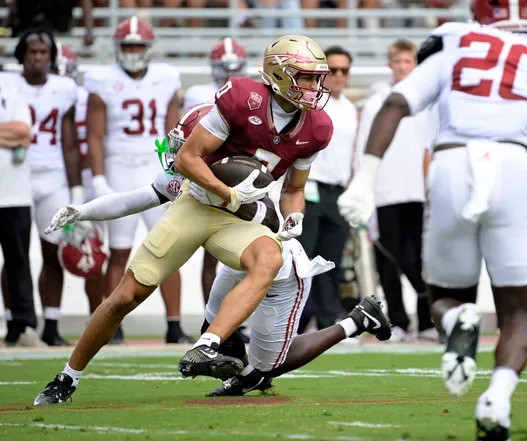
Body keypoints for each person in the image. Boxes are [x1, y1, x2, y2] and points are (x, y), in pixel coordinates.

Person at [32, 34, 388, 405]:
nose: (315, 87)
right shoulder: (238, 101)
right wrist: (85, 210)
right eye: (306, 77)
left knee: (269, 258)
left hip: (243, 218)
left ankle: (208, 344)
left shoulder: (317, 127)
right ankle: (67, 377)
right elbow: (175, 169)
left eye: (317, 78)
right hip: (198, 207)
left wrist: (293, 217)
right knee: (125, 296)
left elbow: (294, 189)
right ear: (278, 74)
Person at [337, 1, 527, 438]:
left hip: (452, 165)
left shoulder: (455, 48)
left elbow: (396, 102)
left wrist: (366, 179)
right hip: (515, 162)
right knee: (520, 314)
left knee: (445, 296)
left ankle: (456, 322)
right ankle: (498, 399)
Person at [84, 16, 190, 345]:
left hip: (156, 164)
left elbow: (176, 132)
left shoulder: (166, 78)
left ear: (148, 48)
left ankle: (174, 325)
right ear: (118, 48)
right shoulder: (101, 81)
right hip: (118, 165)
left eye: (138, 45)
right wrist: (99, 178)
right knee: (119, 250)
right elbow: (96, 137)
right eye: (127, 45)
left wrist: (177, 170)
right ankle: (113, 325)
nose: (132, 51)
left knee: (168, 248)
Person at [0, 28, 82, 346]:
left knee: (54, 251)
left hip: (52, 176)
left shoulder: (64, 88)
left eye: (43, 52)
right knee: (15, 252)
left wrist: (76, 189)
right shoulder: (8, 83)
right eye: (32, 52)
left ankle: (51, 322)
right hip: (14, 176)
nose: (37, 57)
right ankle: (15, 323)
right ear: (22, 55)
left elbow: (70, 141)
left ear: (51, 57)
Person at [356, 39, 435, 343]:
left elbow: (430, 147)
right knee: (388, 259)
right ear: (390, 64)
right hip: (385, 192)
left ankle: (427, 321)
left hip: (418, 192)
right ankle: (398, 320)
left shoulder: (425, 102)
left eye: (408, 62)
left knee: (418, 259)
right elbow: (364, 145)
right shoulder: (378, 100)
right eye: (398, 62)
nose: (403, 67)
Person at [182, 37, 250, 343]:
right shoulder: (198, 93)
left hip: (239, 170)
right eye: (224, 66)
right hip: (204, 169)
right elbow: (185, 133)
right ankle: (212, 320)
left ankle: (235, 320)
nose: (228, 72)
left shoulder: (249, 92)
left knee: (244, 253)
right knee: (211, 254)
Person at [296, 45, 357, 333]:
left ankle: (327, 322)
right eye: (333, 70)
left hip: (339, 191)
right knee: (303, 258)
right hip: (310, 187)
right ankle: (291, 320)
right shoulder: (311, 103)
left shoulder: (350, 110)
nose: (339, 75)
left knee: (331, 262)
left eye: (345, 70)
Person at [53, 42, 105, 315]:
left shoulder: (88, 96)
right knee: (55, 251)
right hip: (56, 177)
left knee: (94, 251)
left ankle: (99, 316)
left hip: (87, 177)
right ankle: (49, 322)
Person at [0, 79, 42, 347]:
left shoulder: (10, 90)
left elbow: (23, 133)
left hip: (13, 191)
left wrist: (15, 134)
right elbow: (13, 133)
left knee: (18, 262)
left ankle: (23, 324)